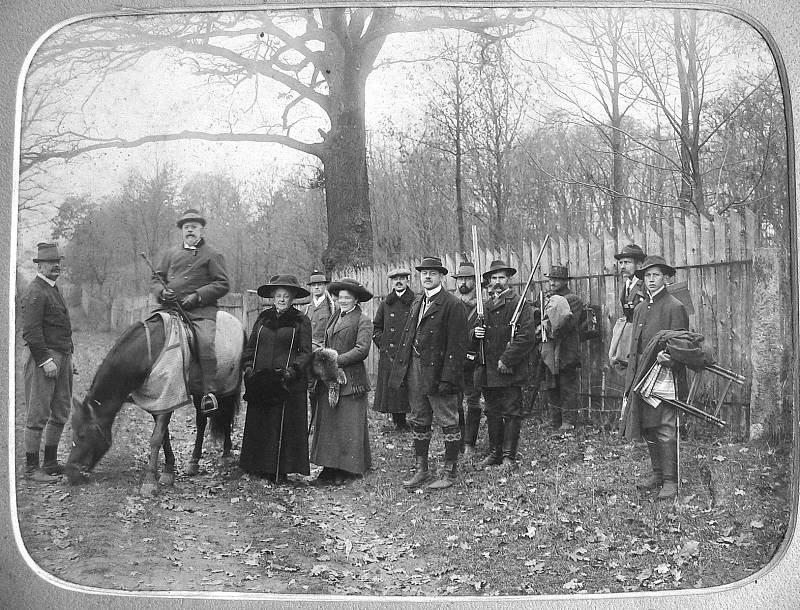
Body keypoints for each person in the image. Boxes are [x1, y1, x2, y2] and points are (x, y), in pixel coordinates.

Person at [389, 256, 468, 490]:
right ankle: (421, 470)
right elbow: (408, 337)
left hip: (439, 371)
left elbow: (458, 346)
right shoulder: (417, 302)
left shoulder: (452, 304)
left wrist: (448, 378)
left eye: (433, 273)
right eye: (424, 273)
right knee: (419, 418)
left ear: (441, 276)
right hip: (415, 368)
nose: (427, 276)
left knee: (448, 420)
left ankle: (449, 472)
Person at [622, 255, 689, 500]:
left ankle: (671, 480)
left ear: (666, 278)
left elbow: (683, 342)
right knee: (649, 427)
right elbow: (636, 346)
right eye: (647, 276)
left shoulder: (674, 306)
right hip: (642, 376)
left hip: (665, 375)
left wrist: (670, 357)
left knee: (665, 427)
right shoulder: (640, 308)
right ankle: (658, 473)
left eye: (656, 275)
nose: (651, 280)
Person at [150, 209, 230, 414]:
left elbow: (222, 284)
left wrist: (198, 296)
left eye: (194, 227)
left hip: (201, 311)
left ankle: (208, 393)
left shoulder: (213, 254)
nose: (190, 230)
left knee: (204, 341)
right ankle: (144, 384)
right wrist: (162, 292)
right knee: (147, 333)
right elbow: (155, 279)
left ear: (201, 230)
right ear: (182, 231)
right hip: (170, 308)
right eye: (186, 227)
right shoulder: (170, 254)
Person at [240, 274, 312, 482]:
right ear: (272, 297)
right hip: (261, 380)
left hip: (285, 381)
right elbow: (251, 346)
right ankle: (257, 466)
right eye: (278, 295)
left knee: (281, 424)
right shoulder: (263, 319)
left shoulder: (301, 320)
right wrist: (247, 367)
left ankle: (278, 469)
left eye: (286, 296)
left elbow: (305, 352)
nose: (281, 299)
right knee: (261, 422)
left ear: (293, 298)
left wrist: (292, 371)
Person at [472, 260, 536, 469]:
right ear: (489, 282)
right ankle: (494, 453)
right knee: (492, 412)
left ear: (508, 280)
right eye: (493, 279)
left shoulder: (520, 304)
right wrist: (475, 333)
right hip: (488, 370)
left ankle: (508, 457)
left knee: (511, 411)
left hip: (510, 369)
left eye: (501, 278)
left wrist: (506, 359)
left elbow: (526, 336)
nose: (497, 283)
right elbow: (468, 335)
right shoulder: (485, 307)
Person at [310, 277, 373, 485]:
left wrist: (337, 360)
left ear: (356, 300)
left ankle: (349, 469)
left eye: (348, 298)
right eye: (340, 298)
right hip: (331, 380)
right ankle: (329, 468)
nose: (343, 301)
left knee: (349, 425)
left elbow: (362, 349)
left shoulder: (362, 320)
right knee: (330, 424)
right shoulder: (334, 317)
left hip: (351, 380)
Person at [21, 242, 74, 482]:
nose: (56, 266)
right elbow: (31, 332)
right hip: (45, 359)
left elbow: (62, 327)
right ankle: (32, 469)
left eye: (58, 262)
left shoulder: (53, 289)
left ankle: (50, 462)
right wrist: (45, 360)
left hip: (62, 358)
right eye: (51, 262)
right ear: (40, 264)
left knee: (61, 410)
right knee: (38, 413)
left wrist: (68, 357)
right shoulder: (35, 290)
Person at [540, 264, 584, 431]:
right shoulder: (547, 299)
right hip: (550, 350)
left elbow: (567, 324)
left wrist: (547, 325)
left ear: (565, 281)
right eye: (551, 279)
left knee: (567, 387)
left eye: (557, 279)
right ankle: (555, 421)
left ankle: (568, 423)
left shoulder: (573, 300)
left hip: (566, 349)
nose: (552, 282)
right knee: (552, 386)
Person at [372, 268, 415, 432]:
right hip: (389, 354)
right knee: (393, 389)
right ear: (391, 282)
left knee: (409, 387)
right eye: (395, 279)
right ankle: (399, 422)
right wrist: (384, 345)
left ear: (407, 281)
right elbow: (376, 328)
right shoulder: (385, 304)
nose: (398, 281)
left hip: (408, 352)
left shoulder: (415, 301)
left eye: (402, 278)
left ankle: (416, 421)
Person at [452, 261, 483, 457]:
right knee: (455, 402)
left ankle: (470, 443)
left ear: (475, 282)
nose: (463, 283)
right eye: (460, 279)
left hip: (476, 361)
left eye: (468, 279)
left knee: (473, 401)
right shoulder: (451, 304)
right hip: (455, 361)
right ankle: (458, 441)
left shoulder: (482, 306)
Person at [609, 244, 647, 369]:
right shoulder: (627, 284)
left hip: (643, 338)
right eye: (621, 263)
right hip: (629, 338)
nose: (623, 266)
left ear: (640, 264)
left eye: (627, 262)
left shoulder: (645, 284)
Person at [304, 270, 336, 350]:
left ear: (325, 286)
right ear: (311, 288)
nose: (316, 287)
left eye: (320, 284)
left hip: (325, 350)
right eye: (314, 285)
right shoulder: (305, 309)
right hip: (308, 350)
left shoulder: (333, 307)